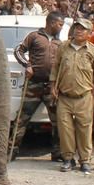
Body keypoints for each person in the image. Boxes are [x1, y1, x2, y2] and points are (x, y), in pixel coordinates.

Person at [50, 17, 94, 174]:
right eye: (77, 28)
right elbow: (55, 68)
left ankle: (85, 160)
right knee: (65, 129)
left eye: (82, 29)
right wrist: (53, 86)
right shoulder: (63, 47)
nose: (78, 31)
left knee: (84, 129)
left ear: (89, 33)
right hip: (64, 96)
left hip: (84, 97)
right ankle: (68, 159)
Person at [12, 12, 65, 160]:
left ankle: (57, 152)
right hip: (33, 84)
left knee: (57, 121)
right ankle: (11, 151)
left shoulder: (59, 42)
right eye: (60, 24)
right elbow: (18, 50)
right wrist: (27, 65)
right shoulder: (34, 36)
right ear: (52, 23)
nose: (61, 27)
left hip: (52, 87)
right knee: (21, 120)